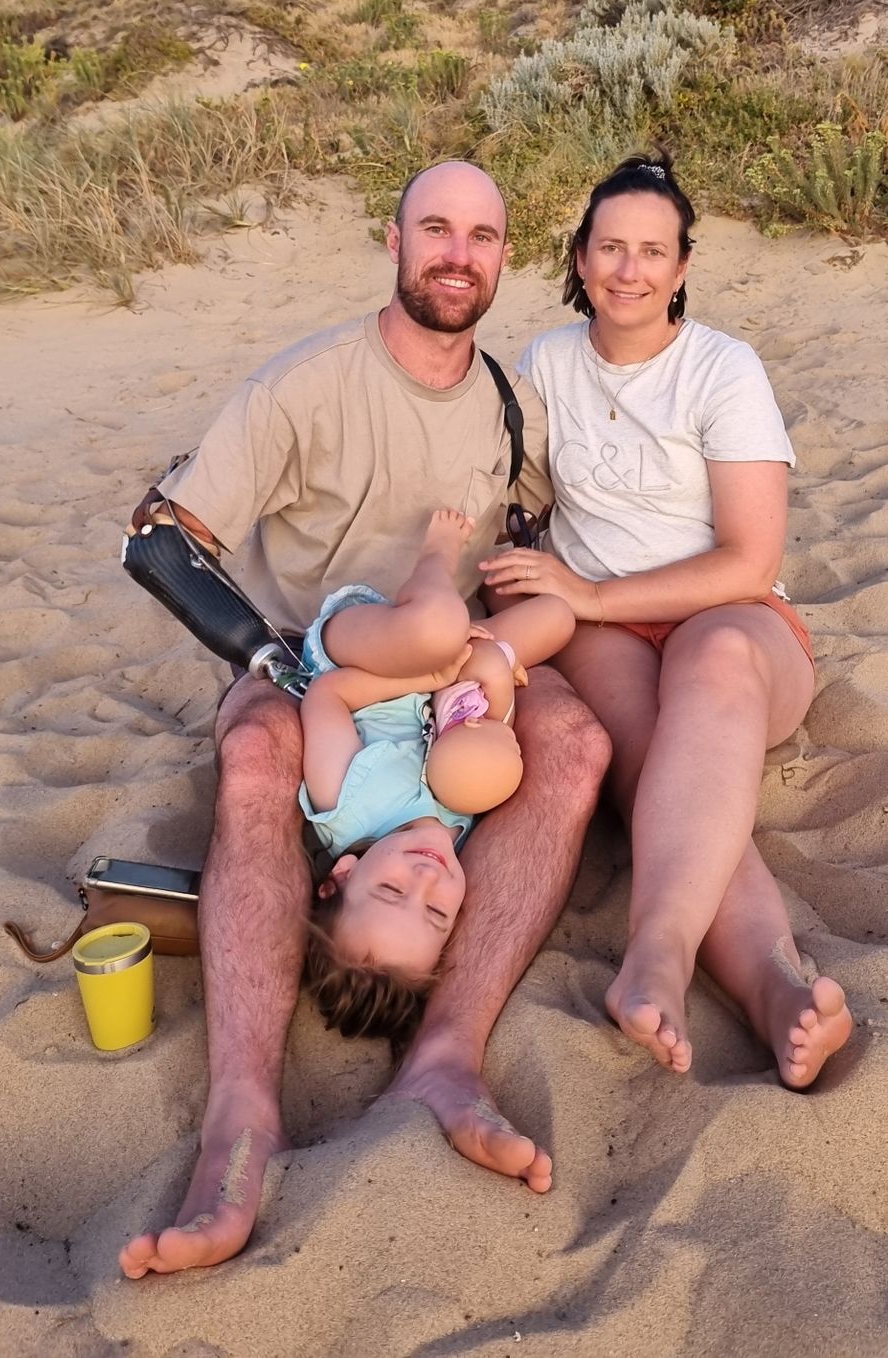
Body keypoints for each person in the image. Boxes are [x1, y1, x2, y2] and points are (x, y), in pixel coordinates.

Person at [119, 160, 612, 1278]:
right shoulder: (305, 386)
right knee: (252, 748)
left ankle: (447, 1048)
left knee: (578, 744)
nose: (458, 252)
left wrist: (500, 656)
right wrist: (270, 664)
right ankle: (242, 1111)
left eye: (482, 235)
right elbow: (161, 535)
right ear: (392, 242)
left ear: (501, 258)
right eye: (435, 228)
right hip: (319, 651)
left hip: (460, 660)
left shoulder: (507, 400)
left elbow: (530, 541)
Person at [482, 152, 853, 1089]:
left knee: (717, 661)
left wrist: (593, 595)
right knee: (664, 771)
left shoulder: (723, 369)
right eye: (611, 247)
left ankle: (658, 943)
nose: (629, 270)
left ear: (682, 266)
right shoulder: (546, 364)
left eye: (653, 251)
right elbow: (504, 494)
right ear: (580, 255)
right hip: (601, 631)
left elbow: (750, 561)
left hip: (732, 623)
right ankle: (775, 989)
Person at [299, 507, 575, 1039]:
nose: (426, 880)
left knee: (437, 628)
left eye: (391, 891)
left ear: (343, 876)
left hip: (362, 653)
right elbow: (476, 722)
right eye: (435, 914)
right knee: (557, 618)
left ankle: (436, 553)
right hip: (449, 668)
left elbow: (327, 696)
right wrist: (489, 683)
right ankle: (464, 628)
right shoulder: (461, 829)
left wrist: (430, 672)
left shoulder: (347, 806)